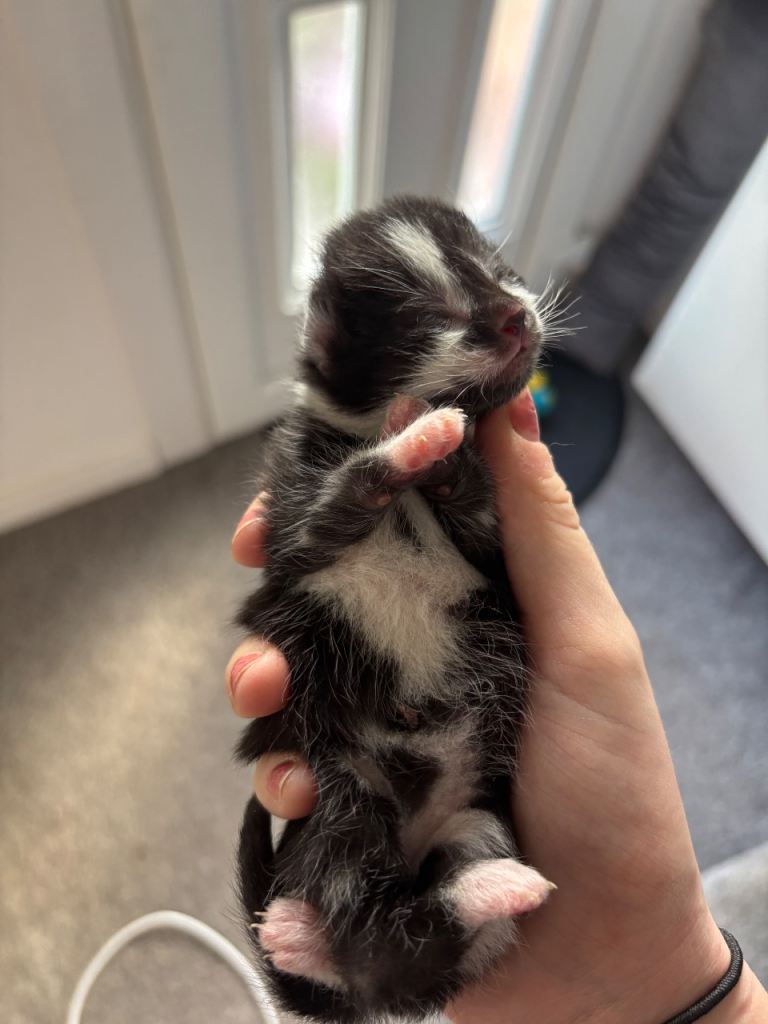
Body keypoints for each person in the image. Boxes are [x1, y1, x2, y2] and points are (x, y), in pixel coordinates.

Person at [225, 389, 768, 1022]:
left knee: (466, 837)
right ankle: (367, 946)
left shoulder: (469, 452)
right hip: (373, 749)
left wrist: (440, 472)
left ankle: (398, 944)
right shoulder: (311, 447)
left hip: (460, 779)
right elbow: (311, 533)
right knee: (341, 815)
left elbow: (483, 537)